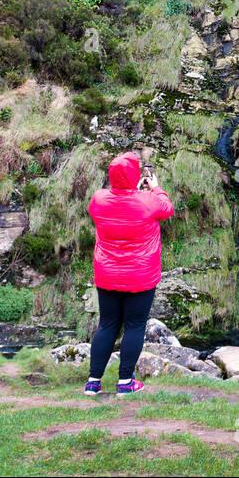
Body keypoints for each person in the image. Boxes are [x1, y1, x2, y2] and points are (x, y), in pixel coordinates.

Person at [83, 152, 173, 396]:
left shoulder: (99, 199)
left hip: (107, 274)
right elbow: (167, 208)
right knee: (134, 326)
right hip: (140, 276)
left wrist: (129, 188)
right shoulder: (148, 200)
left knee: (108, 324)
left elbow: (116, 200)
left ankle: (93, 381)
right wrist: (155, 188)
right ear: (137, 175)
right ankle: (125, 382)